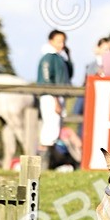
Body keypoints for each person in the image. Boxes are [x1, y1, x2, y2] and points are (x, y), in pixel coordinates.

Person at [37, 29, 73, 169]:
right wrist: (56, 99)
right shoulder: (48, 58)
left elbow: (69, 73)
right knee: (49, 128)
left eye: (63, 41)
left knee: (55, 128)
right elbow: (48, 81)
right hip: (51, 97)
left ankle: (48, 163)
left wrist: (68, 56)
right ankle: (44, 164)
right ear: (51, 41)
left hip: (57, 96)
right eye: (59, 41)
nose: (62, 44)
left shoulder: (60, 58)